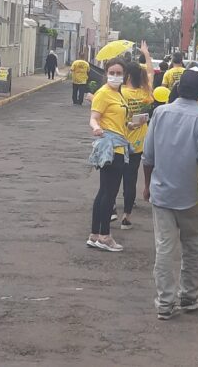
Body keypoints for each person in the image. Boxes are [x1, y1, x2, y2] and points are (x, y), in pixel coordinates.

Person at [143, 70, 198, 320]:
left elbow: (148, 155)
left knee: (164, 248)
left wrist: (147, 186)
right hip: (193, 193)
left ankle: (164, 303)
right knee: (192, 246)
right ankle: (188, 296)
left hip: (162, 191)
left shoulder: (160, 113)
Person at [85, 58, 130, 252]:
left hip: (119, 144)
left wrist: (132, 124)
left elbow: (117, 120)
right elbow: (94, 118)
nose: (116, 76)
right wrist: (96, 128)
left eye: (120, 73)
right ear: (106, 73)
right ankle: (105, 236)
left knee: (104, 192)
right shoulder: (103, 93)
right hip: (111, 148)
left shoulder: (117, 94)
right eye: (112, 72)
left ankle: (95, 234)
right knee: (109, 193)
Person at [115, 42, 155, 229]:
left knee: (114, 177)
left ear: (127, 76)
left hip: (118, 142)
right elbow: (151, 73)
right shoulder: (145, 93)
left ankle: (111, 208)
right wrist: (146, 55)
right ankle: (127, 216)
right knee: (130, 181)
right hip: (137, 145)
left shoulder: (119, 93)